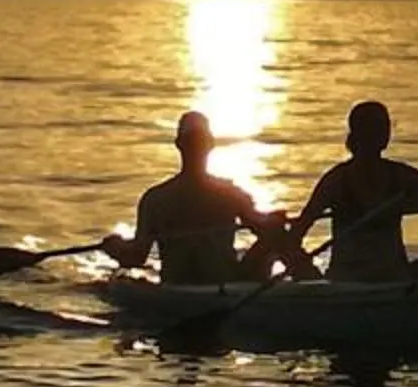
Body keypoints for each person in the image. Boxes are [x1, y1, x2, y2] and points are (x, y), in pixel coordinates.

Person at [104, 111, 317, 285]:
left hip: (183, 283)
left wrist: (116, 248)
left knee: (275, 231)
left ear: (178, 144)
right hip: (224, 281)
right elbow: (263, 229)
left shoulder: (155, 199)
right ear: (210, 144)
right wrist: (272, 222)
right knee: (276, 234)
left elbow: (135, 256)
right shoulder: (229, 193)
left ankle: (315, 286)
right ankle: (316, 284)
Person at [294, 100, 418, 283]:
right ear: (359, 134)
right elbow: (299, 230)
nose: (384, 133)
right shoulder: (337, 181)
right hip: (349, 279)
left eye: (384, 127)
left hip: (394, 276)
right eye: (377, 128)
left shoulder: (398, 174)